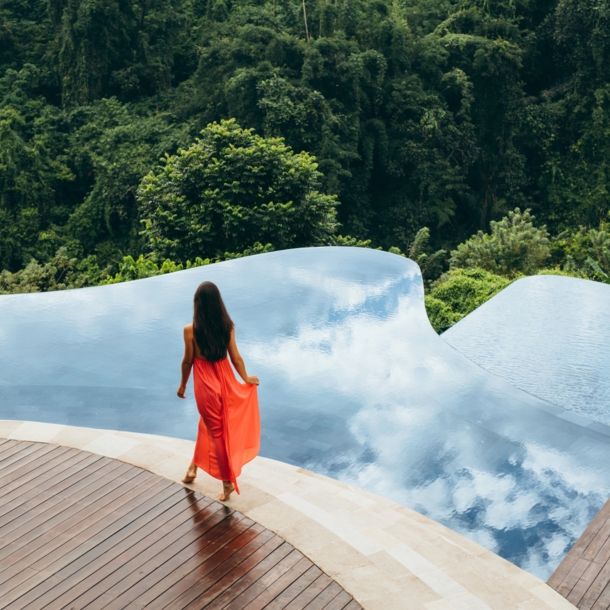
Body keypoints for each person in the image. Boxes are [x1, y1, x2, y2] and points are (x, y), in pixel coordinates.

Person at [177, 281, 260, 501]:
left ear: (198, 304)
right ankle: (192, 469)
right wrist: (245, 378)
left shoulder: (190, 330)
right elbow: (236, 358)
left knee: (216, 432)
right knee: (206, 424)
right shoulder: (227, 326)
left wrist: (183, 385)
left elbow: (187, 362)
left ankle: (227, 482)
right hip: (226, 381)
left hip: (206, 385)